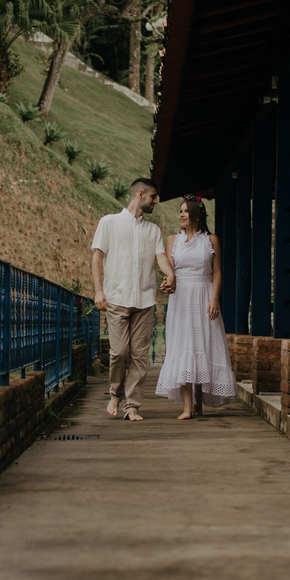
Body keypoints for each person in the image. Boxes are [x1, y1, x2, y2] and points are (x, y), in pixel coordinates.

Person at [92, 178, 176, 422]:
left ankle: (132, 406)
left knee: (139, 357)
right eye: (153, 197)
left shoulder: (153, 230)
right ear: (140, 194)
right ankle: (115, 395)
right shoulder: (109, 222)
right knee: (119, 352)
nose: (155, 202)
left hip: (145, 300)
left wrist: (170, 274)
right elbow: (97, 258)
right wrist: (98, 291)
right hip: (117, 298)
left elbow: (161, 257)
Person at [154, 195, 234, 420]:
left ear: (196, 216)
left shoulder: (211, 239)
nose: (181, 215)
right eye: (180, 211)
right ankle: (187, 407)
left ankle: (199, 397)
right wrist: (167, 282)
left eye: (185, 211)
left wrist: (215, 298)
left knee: (203, 345)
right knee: (183, 347)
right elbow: (169, 271)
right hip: (181, 298)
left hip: (204, 294)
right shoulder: (173, 240)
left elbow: (217, 272)